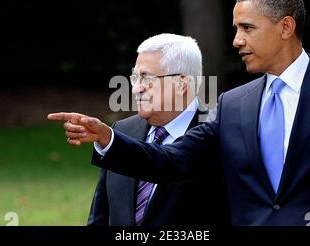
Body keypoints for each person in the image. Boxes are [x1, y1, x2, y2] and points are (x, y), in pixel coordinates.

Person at [49, 0, 310, 226]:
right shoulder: (233, 103)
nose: (237, 40)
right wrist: (109, 138)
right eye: (235, 28)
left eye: (248, 28)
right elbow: (170, 161)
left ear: (286, 27)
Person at [60, 33, 227, 226]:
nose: (136, 89)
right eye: (135, 78)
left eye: (146, 78)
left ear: (181, 83)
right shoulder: (120, 132)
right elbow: (100, 217)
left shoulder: (219, 133)